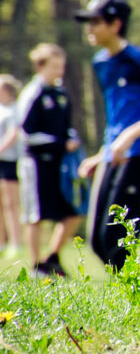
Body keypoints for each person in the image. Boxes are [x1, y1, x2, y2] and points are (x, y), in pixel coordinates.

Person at [74, 0, 140, 270]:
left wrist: (129, 136)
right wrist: (101, 153)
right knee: (97, 241)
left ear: (115, 24)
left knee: (117, 238)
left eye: (95, 22)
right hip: (113, 153)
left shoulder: (138, 59)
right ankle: (135, 301)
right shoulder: (100, 63)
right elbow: (118, 114)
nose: (89, 29)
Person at [0, 46, 82, 276]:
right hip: (35, 163)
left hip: (60, 164)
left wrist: (71, 138)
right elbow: (25, 131)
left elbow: (66, 127)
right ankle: (36, 266)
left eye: (62, 66)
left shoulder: (61, 93)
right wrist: (58, 142)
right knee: (35, 214)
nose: (60, 70)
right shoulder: (32, 93)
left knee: (73, 211)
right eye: (55, 66)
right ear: (40, 66)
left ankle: (52, 258)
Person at [0, 75, 23, 259]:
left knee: (11, 203)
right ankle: (1, 243)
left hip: (9, 161)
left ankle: (16, 242)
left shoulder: (15, 109)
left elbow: (13, 134)